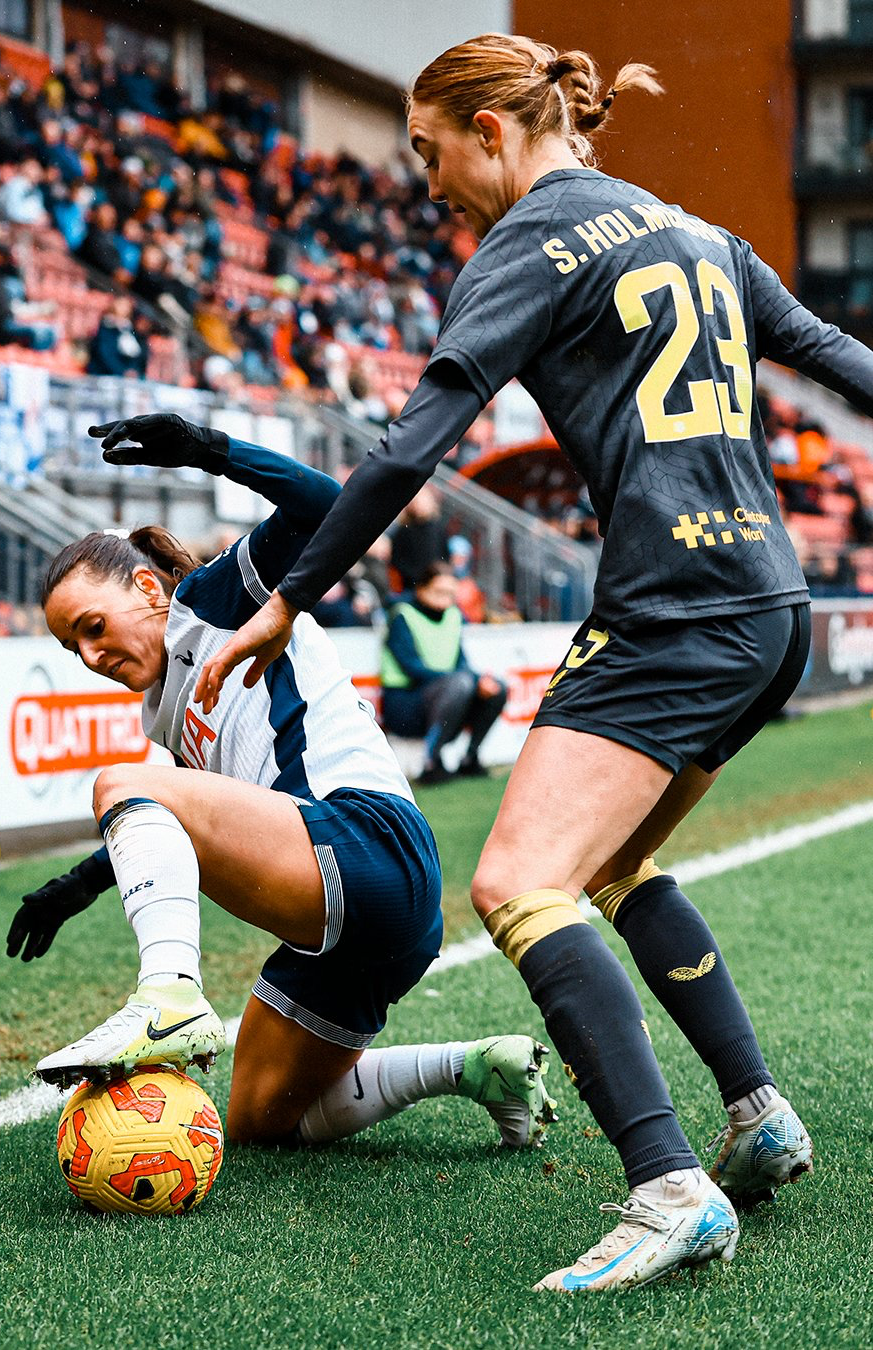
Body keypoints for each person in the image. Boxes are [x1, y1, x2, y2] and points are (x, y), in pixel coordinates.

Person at [163, 33, 873, 1291]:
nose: (424, 186)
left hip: (673, 606)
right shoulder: (701, 231)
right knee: (610, 863)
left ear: (492, 131)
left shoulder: (529, 246)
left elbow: (402, 453)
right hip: (773, 604)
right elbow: (838, 359)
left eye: (431, 151)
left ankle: (666, 1187)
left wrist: (293, 597)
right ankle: (758, 1116)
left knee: (516, 879)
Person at [8, 413, 555, 1155]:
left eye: (92, 626)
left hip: (364, 843)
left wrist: (210, 450)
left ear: (146, 587)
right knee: (264, 1116)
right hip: (369, 916)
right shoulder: (164, 710)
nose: (88, 653)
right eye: (72, 645)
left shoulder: (208, 602)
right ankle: (475, 1068)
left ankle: (168, 993)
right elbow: (185, 820)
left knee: (118, 783)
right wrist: (78, 884)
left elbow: (332, 506)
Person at [381, 561, 506, 783]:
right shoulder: (402, 614)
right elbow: (412, 667)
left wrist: (479, 681)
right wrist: (468, 680)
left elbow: (460, 661)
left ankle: (470, 758)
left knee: (497, 688)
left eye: (451, 594)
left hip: (446, 697)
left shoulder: (453, 616)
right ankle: (431, 762)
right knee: (462, 683)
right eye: (439, 592)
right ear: (421, 588)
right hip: (405, 703)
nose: (445, 600)